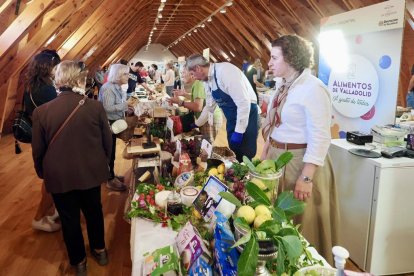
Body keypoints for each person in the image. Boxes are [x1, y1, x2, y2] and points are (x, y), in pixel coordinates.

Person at [261, 34, 339, 264]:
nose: (269, 62)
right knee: (281, 218)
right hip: (279, 158)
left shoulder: (313, 89)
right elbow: (275, 125)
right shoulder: (284, 86)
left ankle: (303, 266)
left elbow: (320, 137)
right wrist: (264, 155)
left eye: (274, 57)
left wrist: (306, 177)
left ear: (291, 59)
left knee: (301, 223)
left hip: (300, 162)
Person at [31, 60, 112, 275]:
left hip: (59, 175)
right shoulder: (95, 107)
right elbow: (107, 142)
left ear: (58, 79)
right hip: (91, 172)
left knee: (69, 219)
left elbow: (38, 150)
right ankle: (100, 249)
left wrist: (43, 172)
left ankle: (79, 262)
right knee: (94, 212)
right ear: (78, 79)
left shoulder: (41, 112)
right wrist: (102, 164)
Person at [186, 54, 259, 162]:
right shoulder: (207, 81)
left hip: (247, 115)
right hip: (231, 118)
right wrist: (197, 123)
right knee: (234, 151)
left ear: (198, 68)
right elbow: (209, 106)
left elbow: (244, 103)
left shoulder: (225, 72)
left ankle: (247, 175)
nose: (193, 77)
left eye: (192, 74)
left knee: (246, 154)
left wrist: (239, 131)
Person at [23, 52, 61, 232]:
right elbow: (57, 113)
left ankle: (50, 211)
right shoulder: (47, 89)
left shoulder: (31, 86)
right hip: (50, 136)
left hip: (40, 135)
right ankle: (38, 217)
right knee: (52, 180)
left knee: (49, 178)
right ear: (48, 67)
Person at [99, 63, 137, 191]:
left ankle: (110, 175)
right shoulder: (108, 88)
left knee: (111, 151)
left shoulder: (117, 87)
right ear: (118, 75)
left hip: (113, 122)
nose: (128, 76)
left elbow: (118, 105)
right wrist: (125, 105)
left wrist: (127, 108)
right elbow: (107, 108)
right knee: (109, 152)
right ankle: (109, 180)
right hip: (108, 123)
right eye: (126, 74)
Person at [167, 67, 222, 141]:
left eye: (183, 72)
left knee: (206, 146)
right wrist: (184, 94)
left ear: (192, 74)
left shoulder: (198, 83)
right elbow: (200, 99)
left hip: (209, 118)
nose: (182, 75)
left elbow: (198, 107)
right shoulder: (197, 83)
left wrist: (180, 102)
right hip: (208, 118)